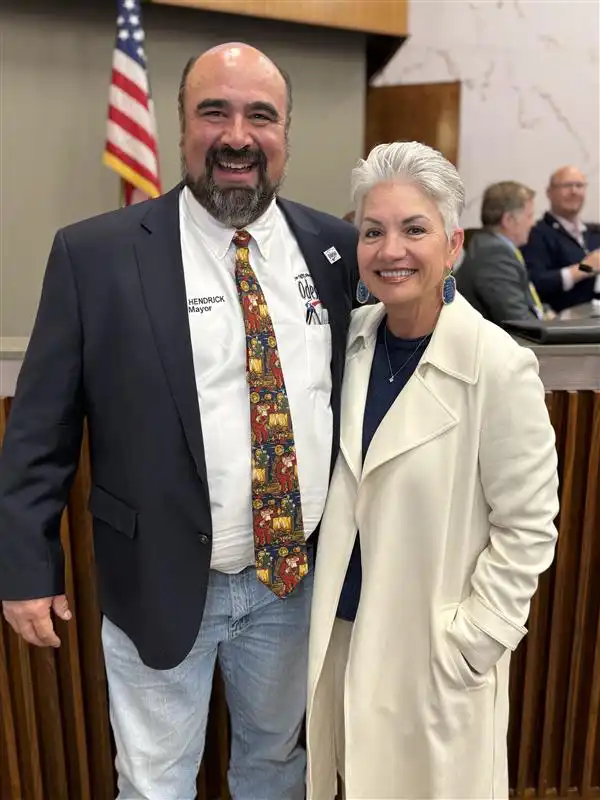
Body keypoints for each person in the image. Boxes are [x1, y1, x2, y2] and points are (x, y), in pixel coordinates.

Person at [0, 43, 359, 800]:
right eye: (214, 112)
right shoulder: (94, 256)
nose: (237, 136)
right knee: (156, 782)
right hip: (158, 581)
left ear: (286, 132)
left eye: (260, 116)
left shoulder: (337, 249)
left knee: (276, 768)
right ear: (180, 126)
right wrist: (26, 569)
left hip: (294, 581)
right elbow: (40, 432)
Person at [305, 142, 560, 799]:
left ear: (452, 245)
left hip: (434, 654)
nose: (392, 250)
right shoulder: (351, 342)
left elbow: (529, 528)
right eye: (373, 231)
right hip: (345, 640)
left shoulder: (496, 365)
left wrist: (474, 643)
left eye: (414, 229)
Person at [456, 181, 544, 324]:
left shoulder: (492, 246)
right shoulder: (493, 254)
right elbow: (519, 322)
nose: (533, 223)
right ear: (508, 220)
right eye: (529, 216)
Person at [522, 165, 600, 312]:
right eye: (567, 185)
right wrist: (585, 268)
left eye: (579, 186)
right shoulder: (536, 234)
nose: (574, 191)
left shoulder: (594, 233)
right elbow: (535, 284)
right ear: (549, 192)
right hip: (561, 325)